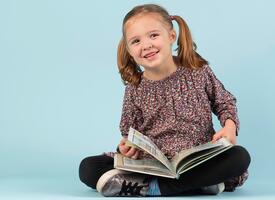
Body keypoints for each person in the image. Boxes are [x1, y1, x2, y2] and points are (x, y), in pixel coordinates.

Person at [79, 4, 250, 197]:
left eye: (153, 35)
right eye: (136, 41)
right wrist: (126, 148)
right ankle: (194, 185)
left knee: (239, 157)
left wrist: (229, 126)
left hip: (197, 161)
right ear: (129, 50)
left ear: (171, 36)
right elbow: (130, 132)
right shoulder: (135, 87)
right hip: (155, 164)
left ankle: (157, 188)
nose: (146, 45)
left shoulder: (197, 71)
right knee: (88, 167)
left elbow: (224, 101)